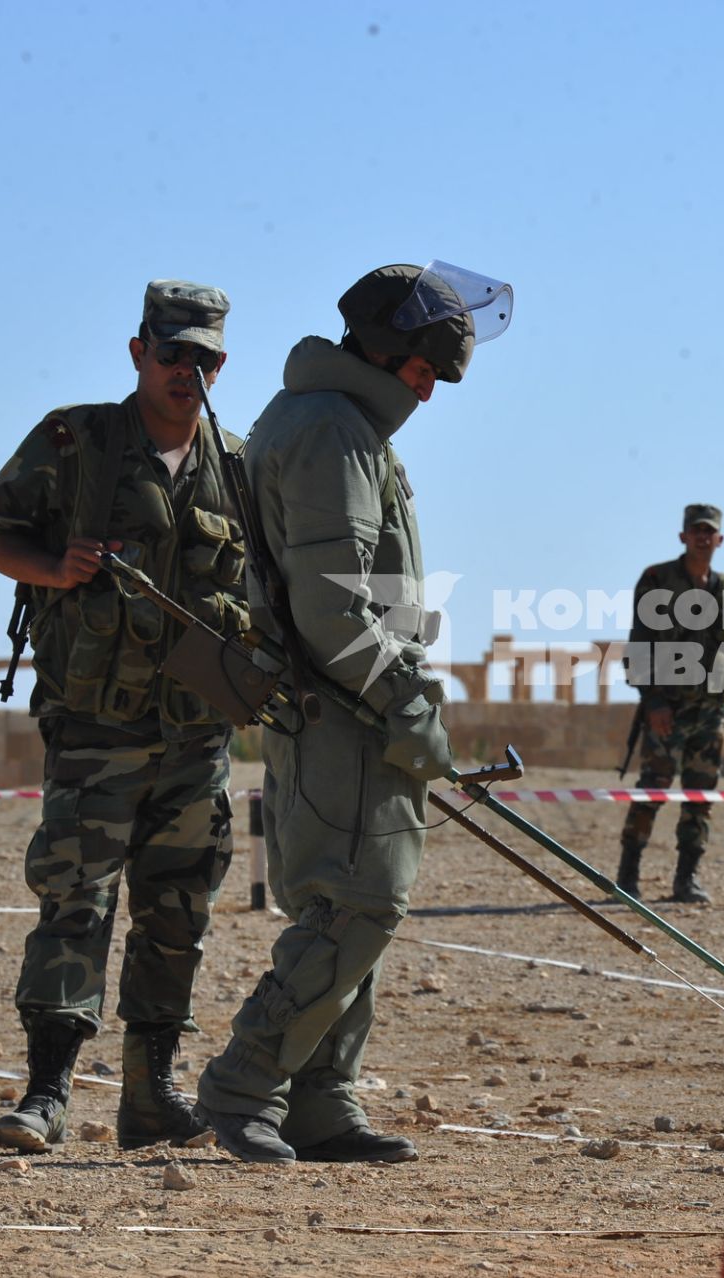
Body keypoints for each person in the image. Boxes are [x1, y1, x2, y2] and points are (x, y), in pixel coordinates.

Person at [197, 260, 513, 1165]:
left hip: (343, 703)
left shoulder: (340, 424)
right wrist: (407, 700)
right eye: (425, 367)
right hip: (345, 705)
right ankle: (245, 1085)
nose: (432, 386)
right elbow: (336, 609)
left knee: (356, 902)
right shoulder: (331, 431)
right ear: (386, 346)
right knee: (354, 904)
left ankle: (319, 1103)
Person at [0, 279, 249, 1152]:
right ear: (138, 352)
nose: (185, 371)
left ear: (220, 365)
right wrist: (54, 569)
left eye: (202, 358)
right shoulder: (75, 442)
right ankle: (46, 1093)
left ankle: (150, 1095)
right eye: (172, 354)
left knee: (177, 911)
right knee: (75, 902)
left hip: (197, 735)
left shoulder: (238, 467)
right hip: (95, 728)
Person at [616, 504, 724, 905]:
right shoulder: (657, 579)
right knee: (652, 791)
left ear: (720, 539)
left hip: (710, 713)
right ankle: (627, 877)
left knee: (700, 796)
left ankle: (686, 878)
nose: (703, 537)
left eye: (710, 532)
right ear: (683, 536)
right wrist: (653, 701)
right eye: (696, 530)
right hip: (666, 709)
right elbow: (639, 646)